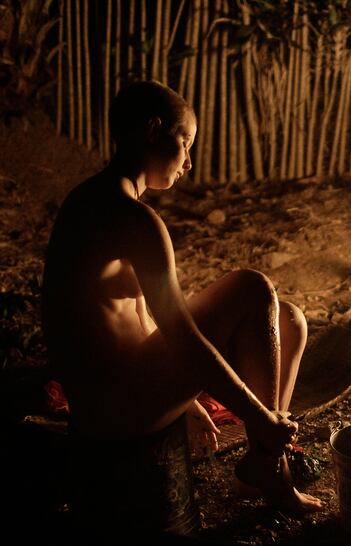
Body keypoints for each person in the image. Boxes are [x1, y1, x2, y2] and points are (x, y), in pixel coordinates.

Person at [41, 80, 324, 514]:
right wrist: (258, 417)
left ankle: (263, 458)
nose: (189, 162)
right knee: (252, 287)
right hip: (112, 408)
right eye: (186, 143)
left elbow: (140, 319)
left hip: (127, 383)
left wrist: (188, 396)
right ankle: (273, 467)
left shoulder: (94, 199)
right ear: (154, 130)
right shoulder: (132, 219)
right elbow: (182, 337)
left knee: (289, 319)